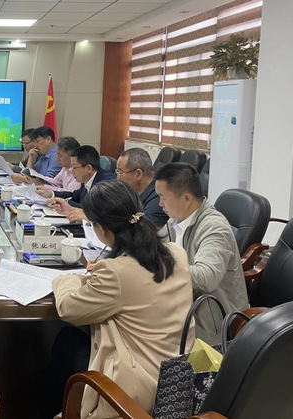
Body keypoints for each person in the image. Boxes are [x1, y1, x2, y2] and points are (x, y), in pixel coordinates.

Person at [43, 180, 193, 419]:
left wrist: (67, 280)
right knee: (71, 340)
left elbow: (68, 308)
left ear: (102, 230)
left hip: (137, 387)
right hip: (177, 379)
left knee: (66, 342)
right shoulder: (176, 252)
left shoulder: (115, 271)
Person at [154, 163, 248, 342]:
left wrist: (158, 266)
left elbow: (206, 277)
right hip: (183, 304)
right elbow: (154, 246)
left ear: (186, 198)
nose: (160, 204)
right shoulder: (176, 220)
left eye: (163, 198)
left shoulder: (214, 228)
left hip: (212, 320)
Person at [45, 145, 115, 223]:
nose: (72, 172)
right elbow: (75, 195)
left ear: (89, 168)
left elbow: (96, 210)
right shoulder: (87, 179)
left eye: (74, 168)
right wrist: (53, 195)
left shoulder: (106, 183)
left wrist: (67, 204)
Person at [116, 148, 169, 229]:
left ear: (138, 174)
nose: (118, 178)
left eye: (121, 172)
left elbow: (140, 231)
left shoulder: (158, 200)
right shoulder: (131, 191)